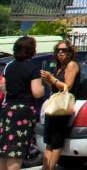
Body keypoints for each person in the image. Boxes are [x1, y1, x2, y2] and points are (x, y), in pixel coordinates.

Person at [0, 36, 45, 170]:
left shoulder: (9, 66)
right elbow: (37, 92)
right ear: (31, 50)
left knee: (4, 149)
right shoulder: (32, 68)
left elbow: (3, 88)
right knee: (16, 150)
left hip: (7, 108)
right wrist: (43, 86)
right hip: (23, 111)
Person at [39, 41, 79, 170]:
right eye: (58, 50)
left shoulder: (71, 65)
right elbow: (54, 88)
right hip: (54, 106)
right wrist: (47, 81)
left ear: (70, 52)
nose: (61, 52)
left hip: (62, 107)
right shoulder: (59, 67)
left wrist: (53, 79)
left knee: (56, 142)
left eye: (64, 50)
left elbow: (67, 87)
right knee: (49, 142)